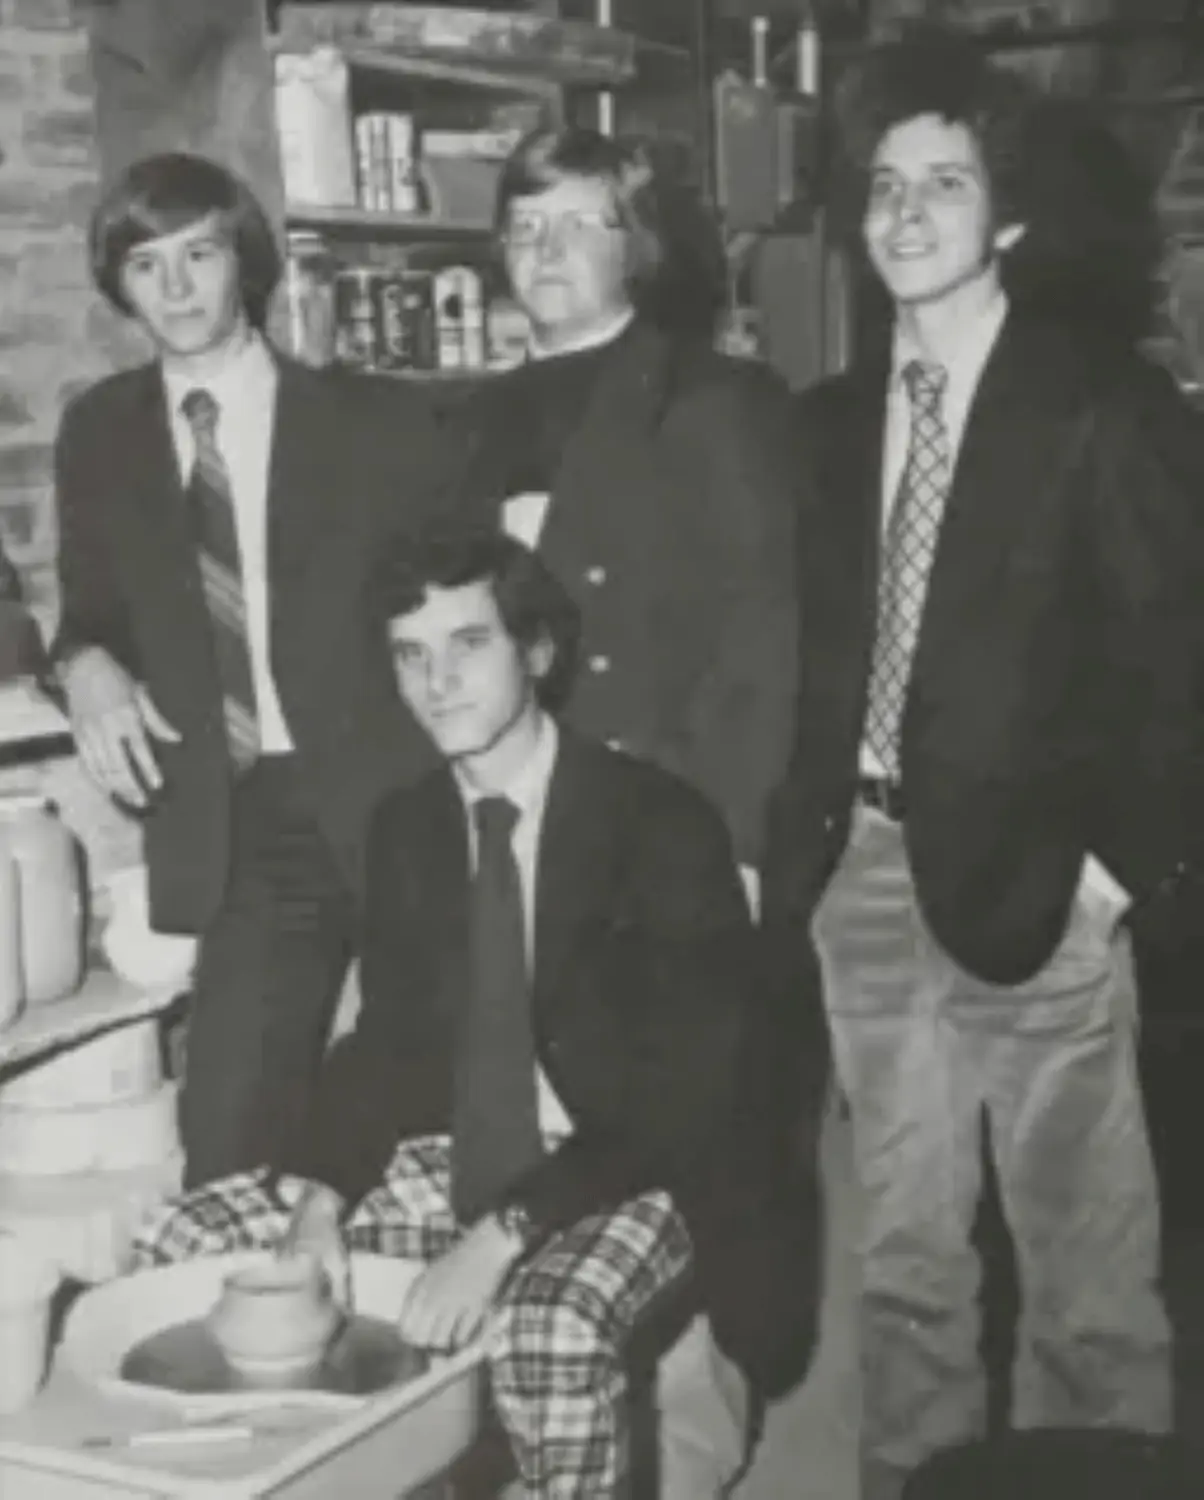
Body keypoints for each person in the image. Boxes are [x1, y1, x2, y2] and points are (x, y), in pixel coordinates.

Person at [131, 526, 817, 1498]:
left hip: (635, 1162)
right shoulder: (407, 826)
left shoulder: (656, 821)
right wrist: (324, 1201)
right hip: (467, 1149)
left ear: (535, 652)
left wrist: (500, 1236)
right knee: (184, 1243)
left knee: (549, 1325)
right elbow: (391, 1043)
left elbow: (687, 1095)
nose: (436, 682)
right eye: (411, 654)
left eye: (468, 644)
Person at [762, 27, 1204, 1500]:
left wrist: (1108, 873)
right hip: (867, 882)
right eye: (883, 187)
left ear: (1003, 210)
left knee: (1085, 1271)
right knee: (903, 1263)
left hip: (1040, 889)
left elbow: (1174, 665)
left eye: (942, 183)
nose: (904, 215)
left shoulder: (1097, 404)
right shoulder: (827, 427)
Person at [52, 152, 448, 1188]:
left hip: (402, 792)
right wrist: (84, 662)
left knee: (435, 1117)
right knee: (228, 1140)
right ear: (120, 287)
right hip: (245, 818)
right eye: (146, 265)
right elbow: (86, 613)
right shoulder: (100, 433)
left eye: (199, 254)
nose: (176, 288)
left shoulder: (375, 422)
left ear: (247, 263)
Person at [456, 125, 799, 904]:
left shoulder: (717, 402)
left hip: (661, 807)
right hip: (511, 804)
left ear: (634, 247)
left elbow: (761, 640)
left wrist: (735, 842)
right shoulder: (468, 419)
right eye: (527, 228)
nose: (547, 251)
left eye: (581, 226)